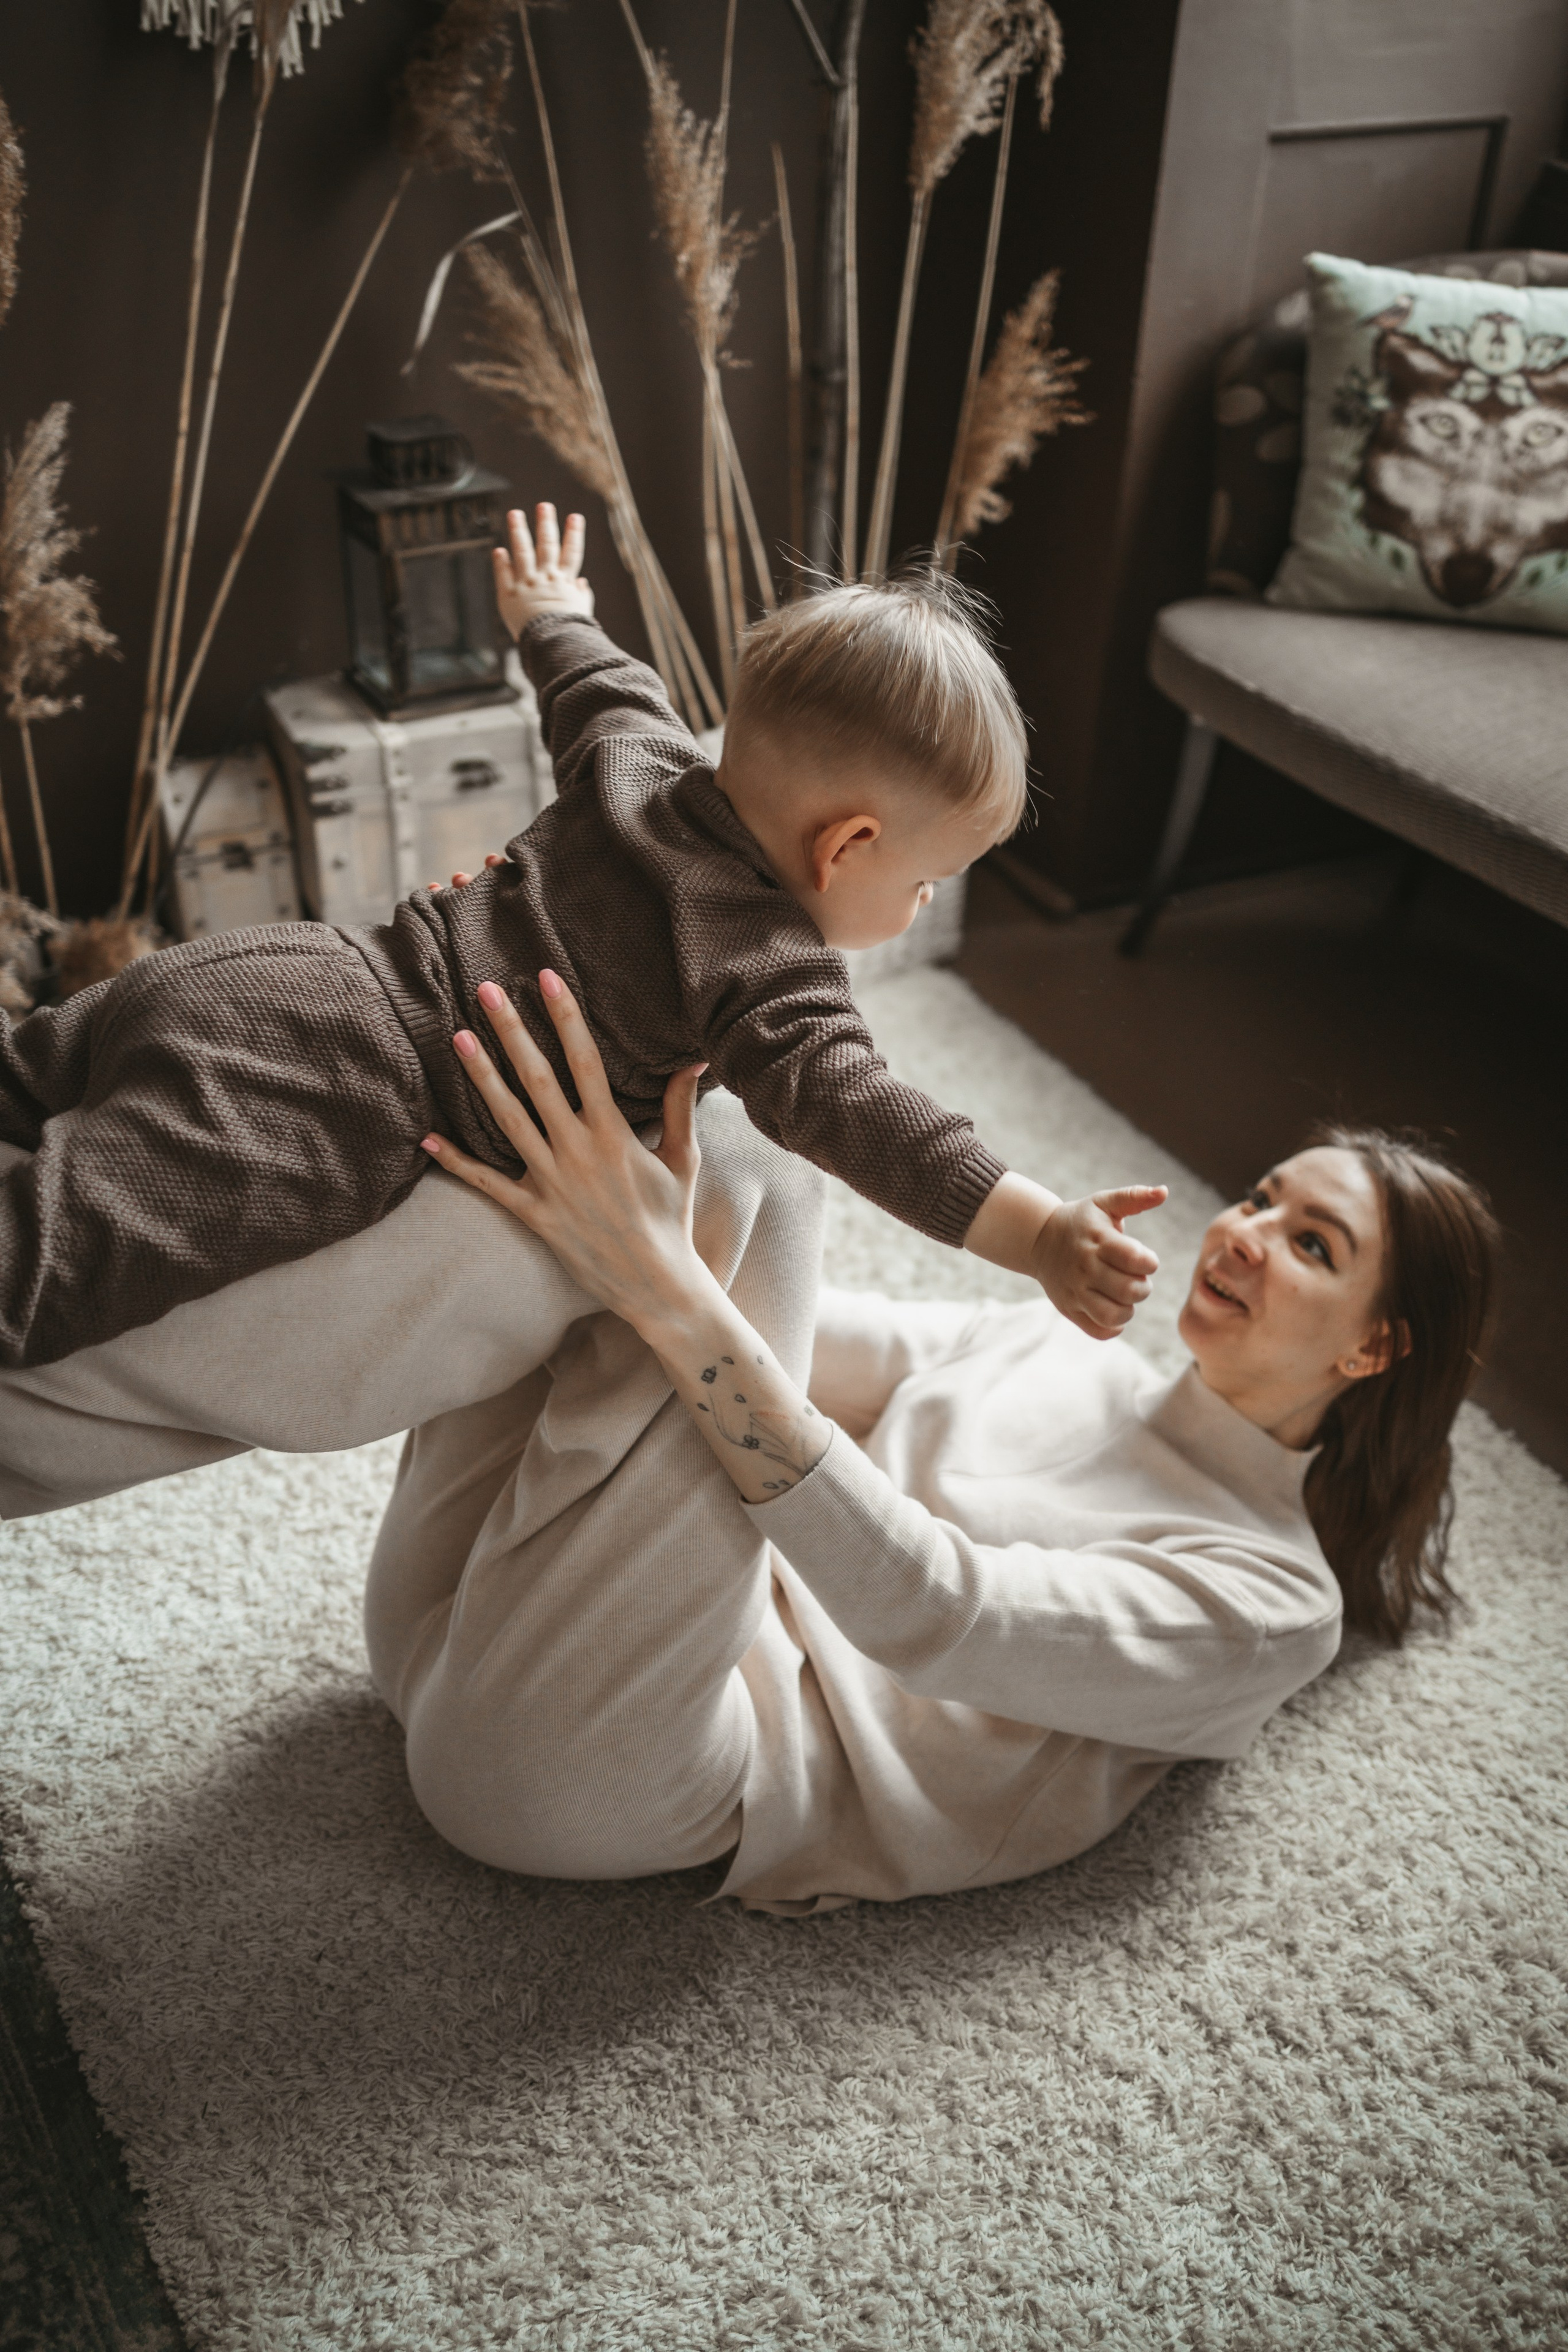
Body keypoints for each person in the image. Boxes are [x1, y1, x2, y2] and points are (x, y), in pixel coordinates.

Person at [382, 972, 1501, 1913]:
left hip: (605, 1762)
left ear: (1375, 1348)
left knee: (740, 1175)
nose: (1246, 1236)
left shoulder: (1270, 1608)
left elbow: (932, 1616)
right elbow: (785, 1323)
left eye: (1311, 1244)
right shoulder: (1049, 1344)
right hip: (449, 1617)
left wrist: (674, 1287)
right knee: (655, 1176)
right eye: (1261, 1199)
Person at [0, 505, 1163, 1372]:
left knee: (31, 1073)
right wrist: (1043, 1233)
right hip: (349, 1092)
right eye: (927, 881)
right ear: (846, 845)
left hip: (295, 966)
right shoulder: (768, 969)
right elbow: (872, 1121)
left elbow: (596, 678)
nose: (920, 908)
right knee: (60, 1257)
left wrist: (550, 604)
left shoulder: (645, 758)